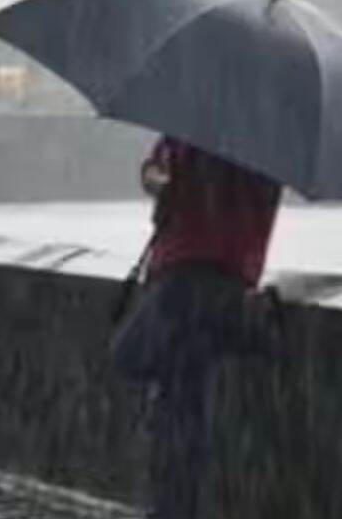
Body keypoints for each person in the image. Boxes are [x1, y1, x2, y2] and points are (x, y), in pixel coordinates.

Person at [111, 135, 283, 519]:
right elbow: (157, 169)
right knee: (185, 405)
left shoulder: (201, 128)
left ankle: (173, 507)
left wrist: (165, 182)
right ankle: (177, 506)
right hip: (225, 282)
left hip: (186, 281)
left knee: (167, 395)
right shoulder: (270, 139)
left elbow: (159, 172)